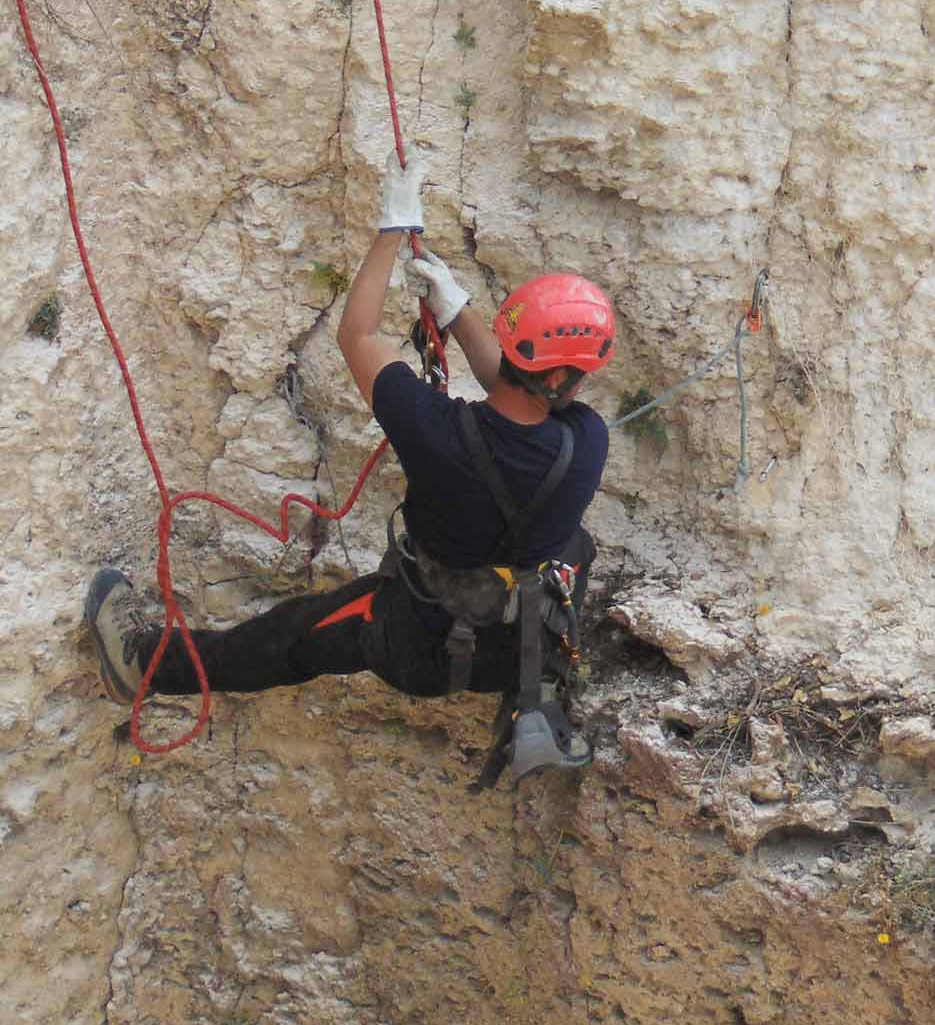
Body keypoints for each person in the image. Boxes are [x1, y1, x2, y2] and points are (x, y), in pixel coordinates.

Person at [85, 151, 615, 785]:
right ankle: (539, 695)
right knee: (570, 545)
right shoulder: (586, 441)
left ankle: (142, 664)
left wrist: (393, 226)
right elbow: (519, 389)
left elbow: (358, 335)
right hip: (515, 652)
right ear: (563, 379)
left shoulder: (436, 430)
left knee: (287, 639)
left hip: (415, 645)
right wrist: (455, 310)